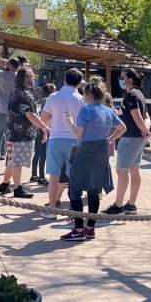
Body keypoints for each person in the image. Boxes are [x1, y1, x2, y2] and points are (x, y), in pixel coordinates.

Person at [61, 78, 126, 241]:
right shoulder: (109, 111)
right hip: (101, 152)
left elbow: (78, 134)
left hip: (85, 152)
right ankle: (90, 228)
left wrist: (70, 123)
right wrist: (109, 140)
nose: (84, 98)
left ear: (90, 94)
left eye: (84, 95)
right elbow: (122, 128)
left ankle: (78, 229)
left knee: (74, 190)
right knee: (93, 189)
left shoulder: (85, 110)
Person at [40, 68, 85, 219]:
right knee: (74, 176)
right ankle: (74, 208)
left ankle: (52, 209)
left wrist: (54, 117)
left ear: (64, 80)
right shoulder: (81, 99)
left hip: (56, 138)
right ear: (79, 83)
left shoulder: (53, 96)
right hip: (75, 140)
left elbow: (43, 117)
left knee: (54, 175)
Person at [105, 68, 151, 215]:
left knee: (122, 170)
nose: (121, 80)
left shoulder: (131, 95)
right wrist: (145, 131)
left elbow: (137, 116)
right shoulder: (140, 95)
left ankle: (118, 206)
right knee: (134, 169)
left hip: (130, 137)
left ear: (129, 80)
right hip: (138, 138)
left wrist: (144, 130)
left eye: (122, 78)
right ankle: (131, 204)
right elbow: (147, 117)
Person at [2, 67, 50, 199]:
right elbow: (31, 115)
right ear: (24, 78)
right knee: (17, 162)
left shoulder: (16, 91)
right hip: (21, 134)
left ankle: (5, 184)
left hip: (12, 132)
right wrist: (45, 127)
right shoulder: (25, 95)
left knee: (12, 160)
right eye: (31, 76)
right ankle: (18, 188)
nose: (34, 78)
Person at [31, 83, 55, 184]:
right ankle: (41, 177)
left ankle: (34, 174)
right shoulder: (48, 101)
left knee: (37, 153)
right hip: (44, 128)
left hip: (37, 128)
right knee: (43, 154)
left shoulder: (39, 100)